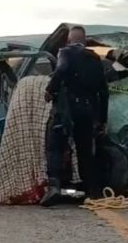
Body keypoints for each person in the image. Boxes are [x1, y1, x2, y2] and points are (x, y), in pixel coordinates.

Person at [40, 25, 109, 207]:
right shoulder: (95, 58)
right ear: (85, 41)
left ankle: (54, 187)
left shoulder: (66, 52)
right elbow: (104, 92)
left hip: (66, 110)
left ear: (69, 40)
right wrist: (102, 120)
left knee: (54, 146)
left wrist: (50, 89)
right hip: (87, 111)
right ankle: (92, 192)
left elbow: (61, 70)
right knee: (85, 151)